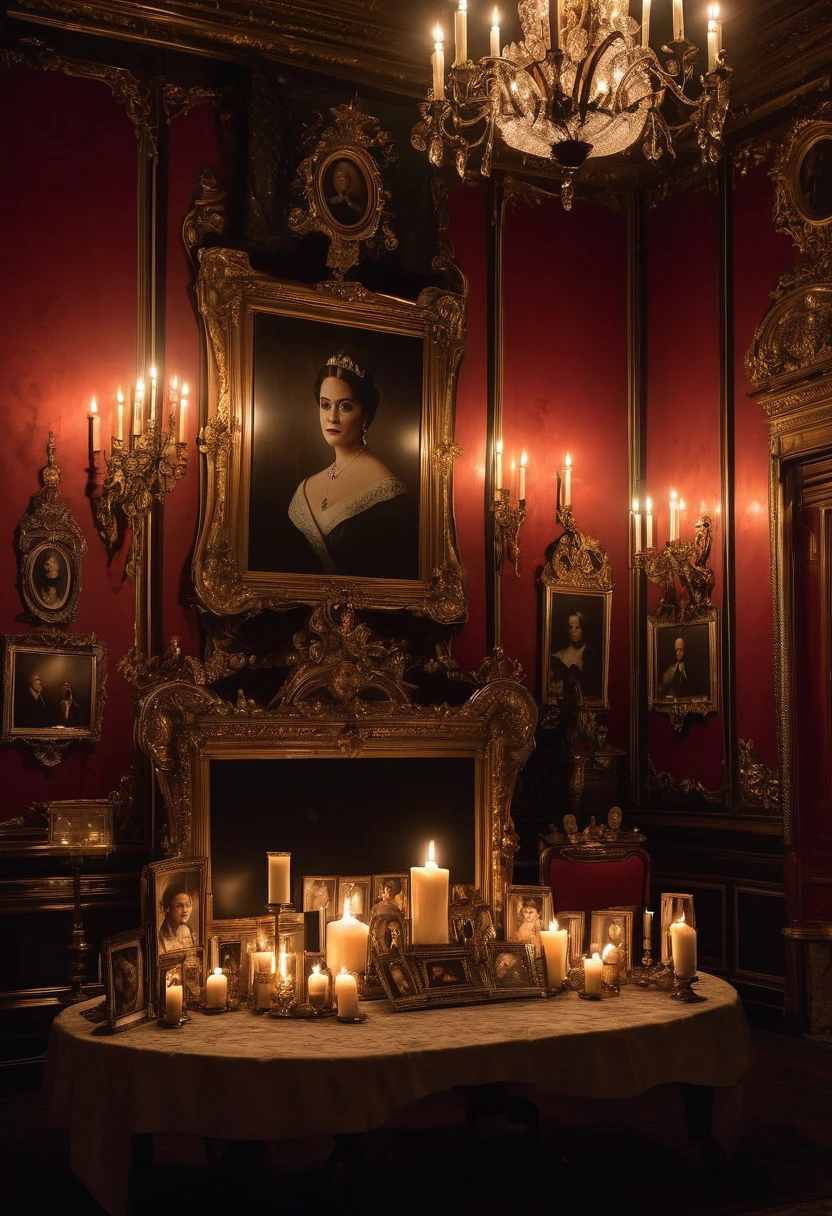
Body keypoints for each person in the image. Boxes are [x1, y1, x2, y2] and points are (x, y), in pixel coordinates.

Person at [287, 354, 416, 579]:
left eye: (345, 406)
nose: (332, 418)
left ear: (365, 415)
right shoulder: (307, 485)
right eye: (325, 405)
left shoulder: (390, 494)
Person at [551, 607, 601, 699]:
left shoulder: (591, 654)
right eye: (570, 627)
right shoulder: (559, 655)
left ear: (583, 629)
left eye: (577, 627)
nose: (573, 631)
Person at [158, 882, 196, 952]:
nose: (185, 910)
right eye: (179, 906)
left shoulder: (187, 931)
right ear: (168, 909)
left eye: (187, 905)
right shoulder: (160, 937)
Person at [326, 160, 365, 226]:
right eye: (338, 177)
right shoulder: (330, 203)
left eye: (346, 177)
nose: (342, 180)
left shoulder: (356, 208)